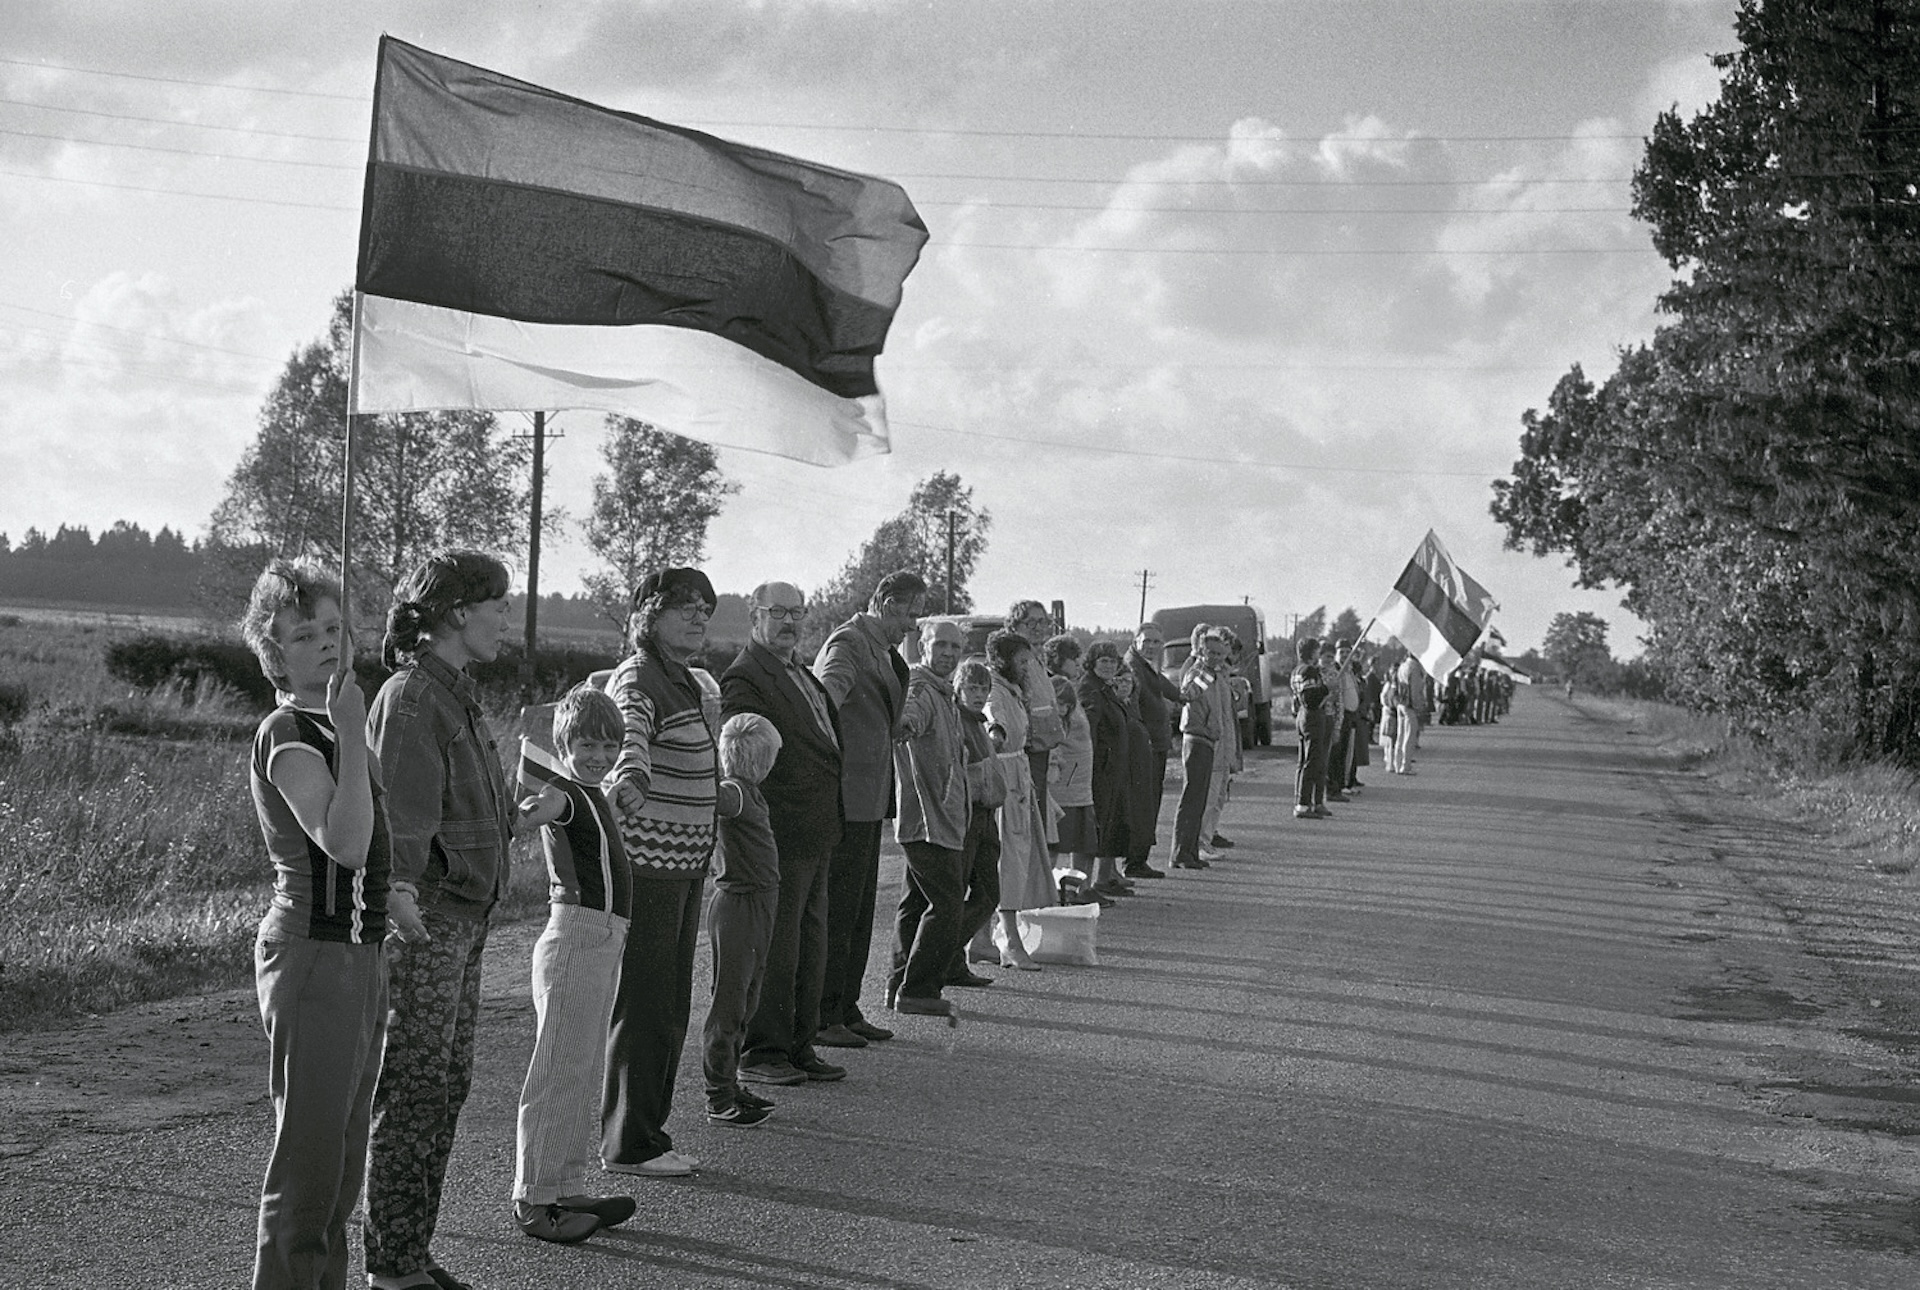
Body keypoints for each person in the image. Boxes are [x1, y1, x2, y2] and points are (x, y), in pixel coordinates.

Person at [364, 550, 514, 1290]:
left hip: (463, 921)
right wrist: (399, 903)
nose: (504, 620)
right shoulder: (414, 698)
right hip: (426, 926)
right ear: (457, 612)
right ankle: (391, 1267)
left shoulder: (453, 694)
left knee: (445, 1087)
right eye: (497, 605)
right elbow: (398, 822)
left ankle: (411, 1255)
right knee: (414, 1091)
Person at [240, 561, 390, 1290]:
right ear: (274, 651)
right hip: (312, 954)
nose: (327, 642)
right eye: (305, 634)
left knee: (343, 1167)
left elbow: (379, 857)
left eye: (334, 628)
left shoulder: (338, 720)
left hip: (363, 956)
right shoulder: (288, 729)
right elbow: (346, 841)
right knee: (308, 1172)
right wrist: (357, 735)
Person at [602, 567, 724, 1179]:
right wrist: (632, 778)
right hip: (648, 868)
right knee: (648, 1002)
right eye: (683, 606)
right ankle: (629, 1141)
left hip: (681, 865)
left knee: (669, 1000)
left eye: (705, 606)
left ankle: (646, 1130)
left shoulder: (681, 679)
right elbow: (629, 738)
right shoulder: (640, 677)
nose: (699, 616)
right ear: (648, 614)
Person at [510, 685, 636, 1244]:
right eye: (587, 743)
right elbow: (534, 812)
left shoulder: (595, 792)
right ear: (564, 742)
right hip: (576, 937)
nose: (599, 756)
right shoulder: (564, 793)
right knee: (558, 1071)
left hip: (604, 938)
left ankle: (561, 1183)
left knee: (583, 1071)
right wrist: (524, 808)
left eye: (610, 746)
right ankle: (533, 1199)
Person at [719, 582, 845, 1087]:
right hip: (781, 829)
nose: (791, 621)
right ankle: (763, 1051)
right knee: (779, 946)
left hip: (817, 830)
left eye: (798, 612)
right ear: (755, 617)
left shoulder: (801, 672)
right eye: (779, 612)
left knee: (809, 944)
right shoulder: (746, 675)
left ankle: (798, 1043)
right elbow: (741, 751)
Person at [813, 570, 926, 1047]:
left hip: (869, 797)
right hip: (843, 798)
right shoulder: (848, 644)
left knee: (859, 913)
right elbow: (823, 700)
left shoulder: (880, 649)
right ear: (883, 601)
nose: (911, 626)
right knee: (839, 911)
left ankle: (846, 1005)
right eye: (906, 613)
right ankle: (823, 1015)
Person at [702, 713, 787, 1126]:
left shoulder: (750, 791)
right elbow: (710, 797)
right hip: (738, 904)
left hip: (758, 904)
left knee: (748, 998)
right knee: (730, 1002)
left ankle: (730, 1081)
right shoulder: (734, 791)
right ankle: (718, 1094)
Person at [887, 620, 971, 1016]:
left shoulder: (943, 691)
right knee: (949, 905)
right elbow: (909, 718)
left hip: (937, 817)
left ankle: (897, 984)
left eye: (956, 647)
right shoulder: (922, 688)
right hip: (926, 819)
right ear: (923, 646)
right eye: (942, 645)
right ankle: (918, 990)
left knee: (916, 903)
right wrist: (903, 724)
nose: (950, 654)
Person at [984, 629, 1056, 969]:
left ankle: (983, 939)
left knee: (1017, 856)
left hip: (1018, 778)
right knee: (1009, 859)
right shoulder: (994, 691)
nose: (1027, 667)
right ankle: (1009, 938)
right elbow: (991, 722)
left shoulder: (1012, 690)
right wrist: (994, 732)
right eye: (1022, 660)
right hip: (1004, 781)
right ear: (1003, 659)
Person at [949, 658, 1003, 982]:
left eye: (984, 688)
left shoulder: (978, 722)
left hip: (986, 814)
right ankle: (943, 955)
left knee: (988, 892)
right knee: (960, 892)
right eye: (972, 687)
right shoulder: (957, 721)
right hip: (968, 816)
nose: (979, 694)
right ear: (958, 687)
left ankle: (950, 955)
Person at [1122, 623, 1183, 879]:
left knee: (1151, 801)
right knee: (1143, 804)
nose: (1152, 646)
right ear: (1136, 641)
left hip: (1156, 744)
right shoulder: (1133, 667)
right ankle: (1134, 861)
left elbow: (1169, 690)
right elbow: (1137, 704)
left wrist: (1184, 695)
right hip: (1145, 745)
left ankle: (1139, 858)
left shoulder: (1148, 665)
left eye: (1157, 642)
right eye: (1147, 641)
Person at [1078, 639, 1135, 899]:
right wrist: (1097, 763)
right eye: (1104, 661)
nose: (1109, 665)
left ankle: (1106, 876)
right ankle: (1092, 884)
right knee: (1100, 824)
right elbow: (1089, 728)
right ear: (1092, 662)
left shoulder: (1105, 688)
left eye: (1113, 661)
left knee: (1113, 821)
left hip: (1112, 767)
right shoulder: (1090, 689)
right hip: (1100, 768)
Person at [1046, 674, 1107, 906]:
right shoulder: (1053, 720)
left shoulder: (1076, 711)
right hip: (1064, 791)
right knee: (1055, 846)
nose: (1061, 708)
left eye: (1065, 704)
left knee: (1085, 845)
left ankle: (1077, 889)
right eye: (1057, 703)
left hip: (1083, 789)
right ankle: (1052, 891)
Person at [1172, 630, 1229, 869]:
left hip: (1207, 741)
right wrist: (1209, 731)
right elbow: (1190, 713)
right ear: (1202, 652)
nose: (1216, 657)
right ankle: (1180, 853)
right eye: (1211, 653)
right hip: (1197, 740)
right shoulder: (1198, 675)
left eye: (1220, 653)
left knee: (1200, 799)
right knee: (1192, 798)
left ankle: (1190, 850)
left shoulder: (1211, 675)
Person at [1291, 637, 1334, 820]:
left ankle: (1311, 801)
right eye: (1317, 650)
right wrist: (1326, 689)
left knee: (1306, 761)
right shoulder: (1308, 671)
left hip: (1303, 715)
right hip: (1312, 715)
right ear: (1312, 652)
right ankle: (1303, 804)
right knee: (1312, 760)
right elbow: (1310, 697)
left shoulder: (1296, 670)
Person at [1391, 654, 1427, 775]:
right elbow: (1415, 690)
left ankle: (1397, 763)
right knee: (1410, 736)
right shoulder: (1415, 667)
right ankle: (1405, 766)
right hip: (1409, 704)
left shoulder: (1403, 665)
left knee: (1400, 735)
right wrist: (1418, 706)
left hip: (1400, 702)